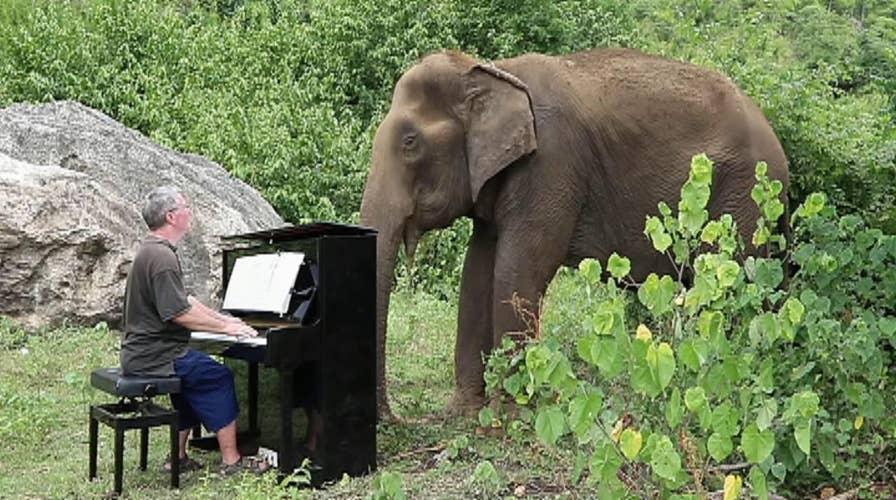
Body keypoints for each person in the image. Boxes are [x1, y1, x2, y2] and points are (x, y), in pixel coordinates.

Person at [120, 185, 268, 476]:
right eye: (186, 207)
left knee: (192, 379)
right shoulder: (161, 258)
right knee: (217, 376)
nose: (191, 212)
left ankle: (177, 456)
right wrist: (226, 326)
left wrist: (225, 321)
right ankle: (231, 461)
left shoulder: (154, 251)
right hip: (155, 356)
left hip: (147, 353)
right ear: (172, 216)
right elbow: (178, 313)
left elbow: (186, 300)